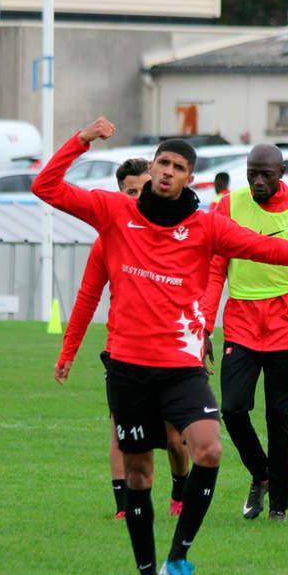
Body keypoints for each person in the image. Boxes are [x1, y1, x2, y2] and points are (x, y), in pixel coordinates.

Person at [33, 117, 288, 575]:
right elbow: (46, 186)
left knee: (210, 448)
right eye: (163, 162)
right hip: (128, 367)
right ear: (154, 166)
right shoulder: (114, 212)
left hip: (181, 365)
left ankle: (179, 557)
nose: (167, 172)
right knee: (139, 474)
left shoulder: (205, 226)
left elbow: (260, 247)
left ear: (189, 179)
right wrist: (82, 141)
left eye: (178, 167)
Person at [55, 157, 189, 521]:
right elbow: (87, 297)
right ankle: (124, 508)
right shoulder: (111, 240)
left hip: (172, 351)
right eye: (129, 191)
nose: (136, 196)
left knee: (175, 438)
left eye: (142, 188)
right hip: (123, 352)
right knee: (121, 430)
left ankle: (180, 489)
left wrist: (199, 335)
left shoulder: (182, 232)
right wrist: (68, 352)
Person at [202, 144, 288, 522]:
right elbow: (214, 269)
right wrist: (204, 326)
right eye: (251, 173)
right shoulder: (226, 206)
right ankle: (261, 474)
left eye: (266, 175)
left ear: (282, 172)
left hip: (287, 326)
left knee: (279, 417)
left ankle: (279, 507)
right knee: (233, 409)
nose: (257, 181)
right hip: (240, 322)